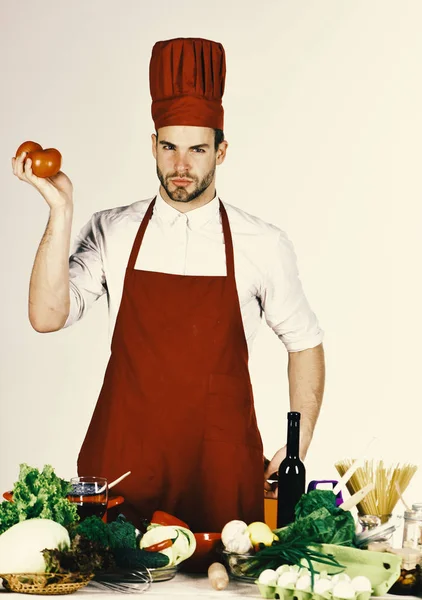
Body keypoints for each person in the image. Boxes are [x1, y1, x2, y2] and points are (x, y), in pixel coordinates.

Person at [11, 37, 325, 531]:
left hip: (220, 478)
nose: (181, 166)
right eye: (169, 147)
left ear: (221, 151)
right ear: (152, 144)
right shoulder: (113, 229)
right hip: (123, 476)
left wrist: (301, 434)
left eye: (197, 149)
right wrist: (61, 210)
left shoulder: (262, 243)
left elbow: (305, 342)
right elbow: (47, 316)